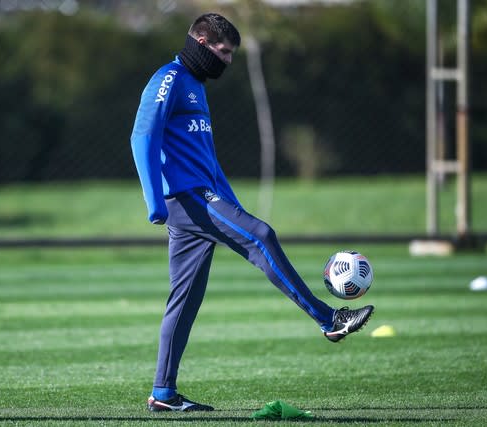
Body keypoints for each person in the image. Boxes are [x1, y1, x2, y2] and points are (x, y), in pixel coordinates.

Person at [130, 12, 374, 412]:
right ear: (202, 43)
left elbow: (206, 161)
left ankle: (163, 394)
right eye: (224, 52)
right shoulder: (169, 79)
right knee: (262, 236)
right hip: (184, 199)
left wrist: (233, 206)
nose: (227, 61)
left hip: (200, 195)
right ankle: (328, 319)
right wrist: (153, 200)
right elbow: (143, 134)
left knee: (185, 301)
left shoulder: (195, 85)